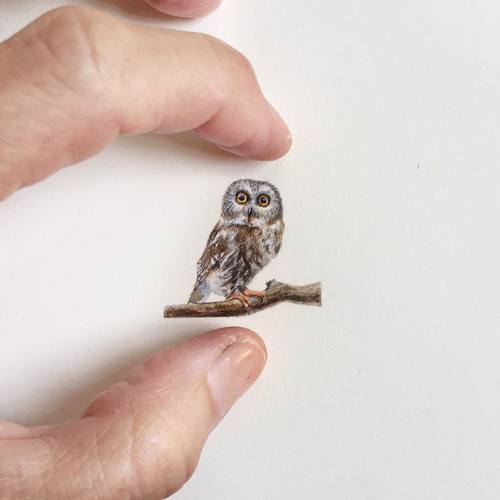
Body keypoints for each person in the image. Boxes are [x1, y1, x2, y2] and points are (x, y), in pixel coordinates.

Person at [0, 2, 291, 498]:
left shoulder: (269, 232)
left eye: (259, 202)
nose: (249, 211)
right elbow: (216, 267)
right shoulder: (227, 232)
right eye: (243, 200)